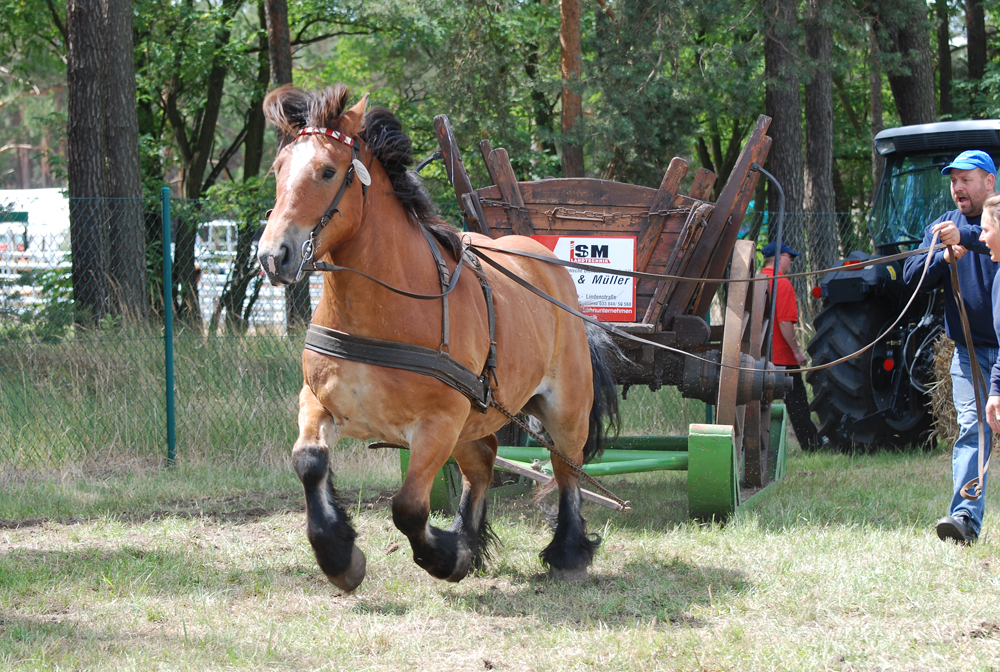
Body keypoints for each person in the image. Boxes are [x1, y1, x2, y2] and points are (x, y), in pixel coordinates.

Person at [902, 149, 998, 545]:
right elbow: (911, 277)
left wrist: (969, 239)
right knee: (973, 430)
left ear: (989, 182)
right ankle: (964, 519)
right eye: (953, 180)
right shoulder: (942, 228)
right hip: (969, 352)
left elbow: (986, 238)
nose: (958, 188)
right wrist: (943, 256)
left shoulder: (996, 220)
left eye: (966, 179)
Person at [760, 241, 820, 450]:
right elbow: (784, 322)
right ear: (780, 258)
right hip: (782, 359)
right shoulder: (781, 283)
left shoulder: (756, 281)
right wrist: (796, 352)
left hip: (757, 360)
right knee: (798, 404)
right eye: (790, 257)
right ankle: (812, 444)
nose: (792, 262)